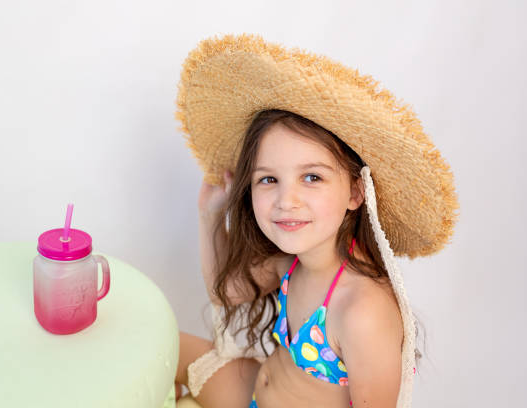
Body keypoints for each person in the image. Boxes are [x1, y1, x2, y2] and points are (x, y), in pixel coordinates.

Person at [174, 34, 459, 408]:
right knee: (158, 342)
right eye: (269, 179)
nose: (286, 200)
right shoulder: (294, 263)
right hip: (254, 392)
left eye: (312, 177)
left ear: (356, 193)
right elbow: (225, 292)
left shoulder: (360, 310)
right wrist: (210, 215)